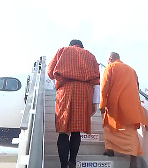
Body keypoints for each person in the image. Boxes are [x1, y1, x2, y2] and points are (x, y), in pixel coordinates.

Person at [47, 39, 100, 168]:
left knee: (63, 131)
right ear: (82, 46)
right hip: (84, 93)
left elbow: (49, 72)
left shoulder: (62, 51)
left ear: (71, 45)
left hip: (65, 91)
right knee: (76, 131)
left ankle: (63, 165)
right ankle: (73, 161)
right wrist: (95, 102)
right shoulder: (90, 55)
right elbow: (97, 81)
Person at [99, 52, 148, 168]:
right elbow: (137, 86)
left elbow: (104, 87)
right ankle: (133, 158)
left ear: (110, 58)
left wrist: (102, 105)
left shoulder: (110, 67)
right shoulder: (132, 70)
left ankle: (110, 149)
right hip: (132, 104)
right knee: (130, 131)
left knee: (109, 126)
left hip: (115, 103)